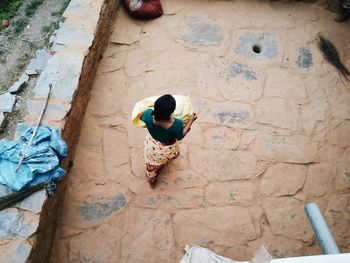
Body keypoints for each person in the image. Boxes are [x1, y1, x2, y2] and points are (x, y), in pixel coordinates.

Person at [140, 94, 197, 188]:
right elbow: (180, 137)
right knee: (173, 155)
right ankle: (153, 177)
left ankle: (152, 180)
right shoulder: (177, 124)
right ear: (172, 112)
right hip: (167, 149)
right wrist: (191, 121)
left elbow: (142, 120)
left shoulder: (147, 114)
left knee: (152, 166)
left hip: (151, 144)